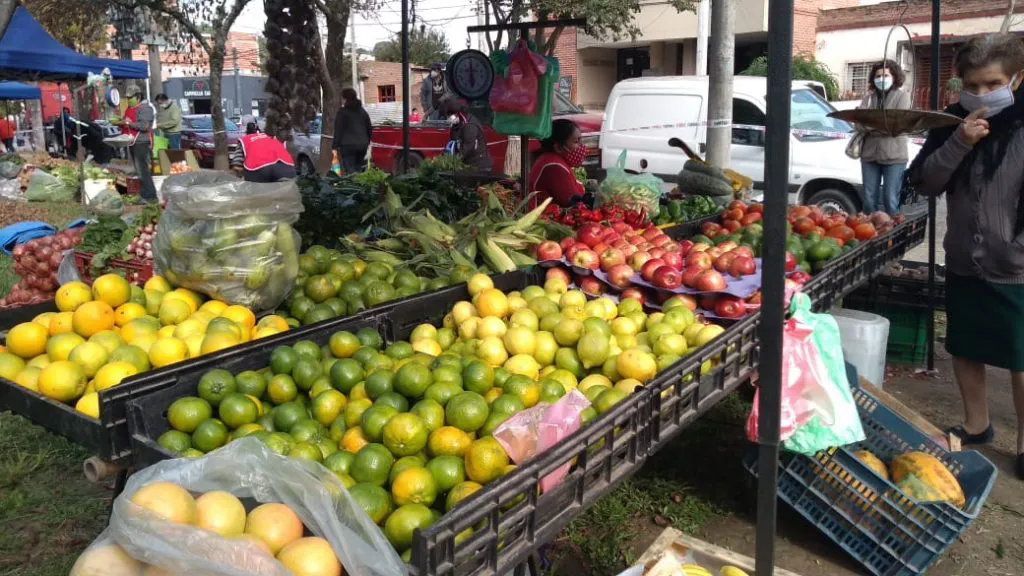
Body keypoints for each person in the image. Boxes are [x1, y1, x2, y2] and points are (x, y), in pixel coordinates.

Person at [906, 33, 1024, 479]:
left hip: (1017, 263)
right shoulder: (949, 122)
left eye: (990, 83)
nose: (978, 94)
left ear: (1016, 78)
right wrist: (960, 141)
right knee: (965, 345)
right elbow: (926, 182)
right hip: (962, 256)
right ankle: (977, 425)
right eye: (970, 85)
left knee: (1021, 355)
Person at [856, 59, 911, 215]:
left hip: (894, 156)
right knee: (868, 199)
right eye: (878, 75)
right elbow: (858, 124)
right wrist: (879, 125)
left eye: (885, 75)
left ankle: (894, 235)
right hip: (869, 155)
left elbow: (897, 125)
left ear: (893, 76)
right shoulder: (869, 98)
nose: (881, 78)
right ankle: (871, 234)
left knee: (890, 199)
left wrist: (871, 126)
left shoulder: (902, 97)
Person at [528, 119, 586, 207]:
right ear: (558, 147)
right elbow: (574, 202)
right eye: (576, 142)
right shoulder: (553, 166)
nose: (581, 146)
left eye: (580, 140)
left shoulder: (551, 158)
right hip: (544, 218)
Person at [119, 86, 158, 203]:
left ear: (138, 96)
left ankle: (150, 197)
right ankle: (144, 195)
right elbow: (126, 122)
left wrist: (128, 124)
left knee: (143, 170)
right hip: (132, 142)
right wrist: (120, 122)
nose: (129, 100)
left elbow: (144, 126)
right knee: (139, 171)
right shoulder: (129, 108)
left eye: (131, 97)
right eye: (127, 98)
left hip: (142, 142)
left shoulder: (146, 109)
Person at [229, 122, 296, 182]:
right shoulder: (270, 137)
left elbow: (237, 167)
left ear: (246, 132)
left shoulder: (244, 140)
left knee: (259, 192)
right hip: (286, 167)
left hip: (259, 169)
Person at [443, 99, 491, 172]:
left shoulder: (469, 124)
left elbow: (468, 146)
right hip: (467, 164)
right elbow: (451, 142)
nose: (447, 118)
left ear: (456, 113)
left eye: (448, 115)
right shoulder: (456, 124)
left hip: (479, 166)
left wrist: (454, 161)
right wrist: (444, 157)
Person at [333, 87, 372, 174]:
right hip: (363, 144)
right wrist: (367, 141)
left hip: (348, 145)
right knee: (359, 168)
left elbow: (338, 130)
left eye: (342, 98)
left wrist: (334, 146)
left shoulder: (342, 112)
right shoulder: (363, 111)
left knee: (350, 170)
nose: (342, 100)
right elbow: (369, 128)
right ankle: (360, 184)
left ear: (345, 98)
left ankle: (354, 185)